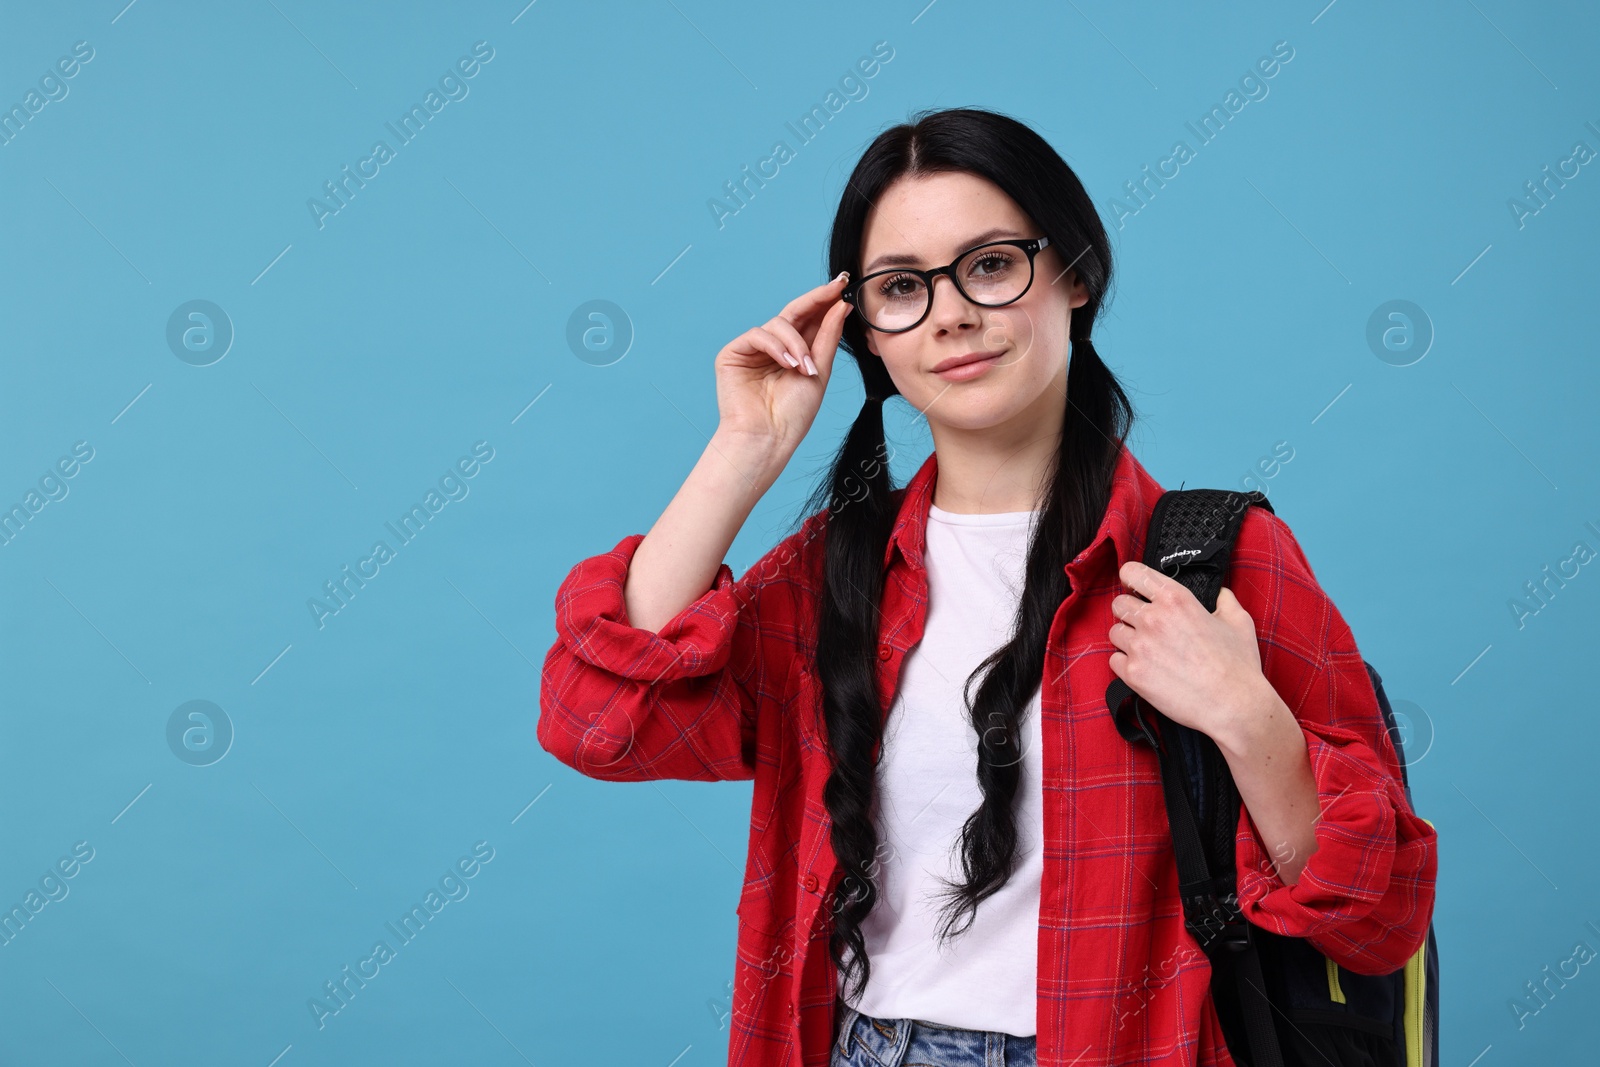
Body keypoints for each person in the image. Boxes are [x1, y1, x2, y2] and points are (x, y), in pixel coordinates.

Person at [538, 106, 1437, 1067]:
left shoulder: (1218, 562)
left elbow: (1377, 920)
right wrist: (744, 451)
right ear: (867, 335)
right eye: (901, 288)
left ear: (1076, 276)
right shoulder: (834, 574)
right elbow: (601, 722)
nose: (951, 314)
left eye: (992, 265)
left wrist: (1249, 720)